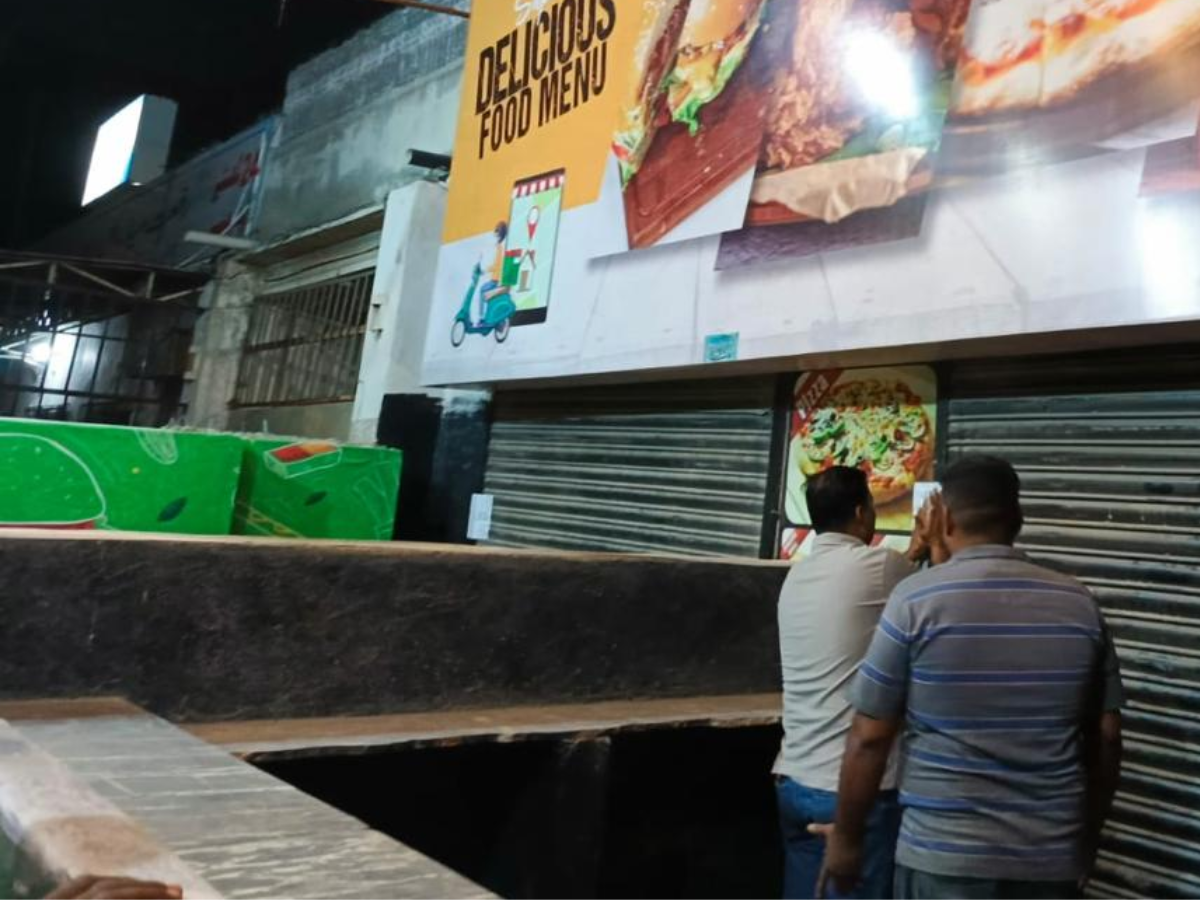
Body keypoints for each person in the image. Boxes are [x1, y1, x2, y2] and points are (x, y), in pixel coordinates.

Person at [816, 455, 1124, 900]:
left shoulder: (914, 602)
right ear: (1017, 519)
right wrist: (1086, 838)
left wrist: (846, 840)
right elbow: (1108, 737)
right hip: (1049, 860)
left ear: (944, 520)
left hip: (942, 858)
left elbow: (870, 736)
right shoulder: (1081, 605)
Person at [775, 465, 945, 899]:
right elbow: (940, 593)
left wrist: (915, 548)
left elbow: (880, 586)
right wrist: (937, 540)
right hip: (849, 795)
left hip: (793, 781)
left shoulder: (797, 576)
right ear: (861, 513)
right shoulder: (878, 567)